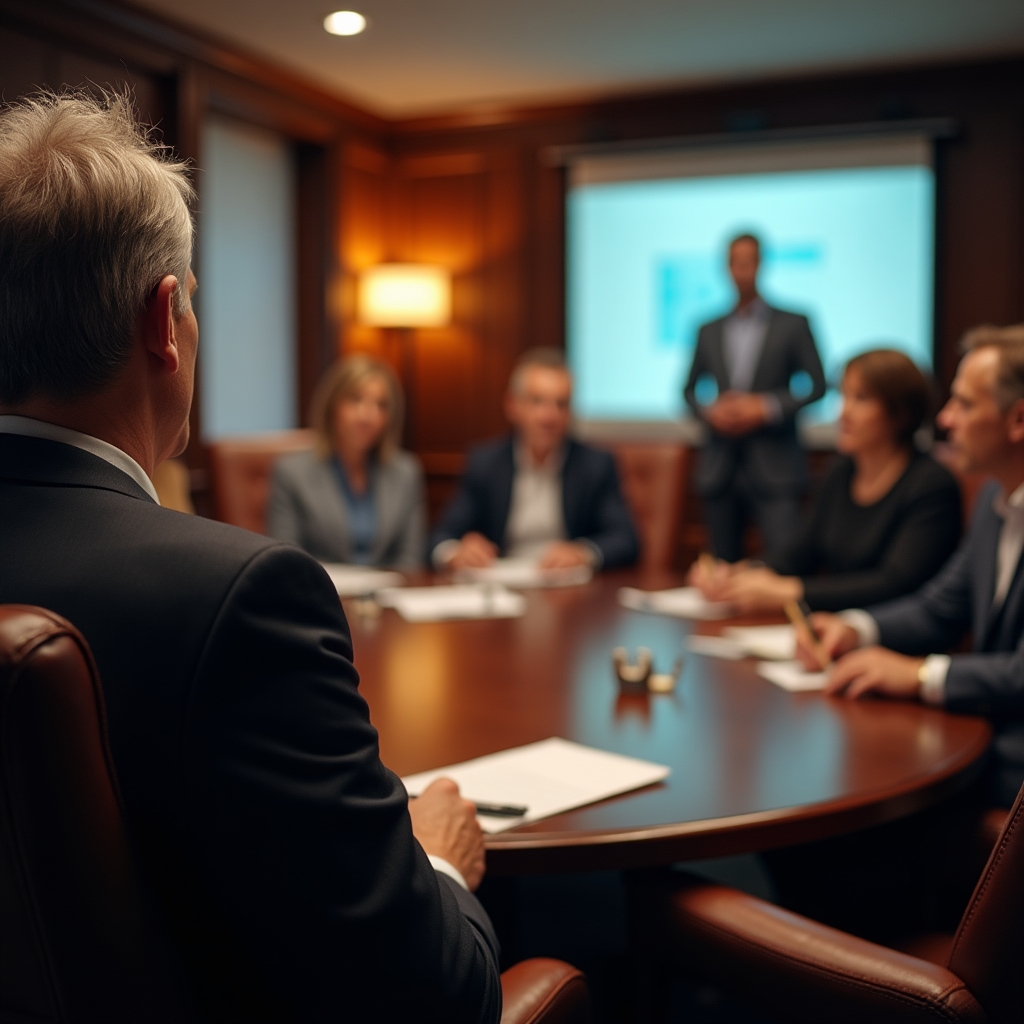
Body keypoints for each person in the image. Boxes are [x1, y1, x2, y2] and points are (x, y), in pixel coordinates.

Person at [0, 92, 500, 1022]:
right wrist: (431, 857)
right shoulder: (235, 599)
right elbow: (432, 997)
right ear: (164, 321)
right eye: (193, 302)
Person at [797, 325, 1024, 807]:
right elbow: (939, 606)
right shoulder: (993, 499)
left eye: (964, 404)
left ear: (1018, 419)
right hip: (978, 738)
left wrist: (919, 675)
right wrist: (856, 629)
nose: (944, 419)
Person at [690, 349, 961, 612]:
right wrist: (737, 573)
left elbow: (896, 583)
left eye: (861, 399)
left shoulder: (931, 484)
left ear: (901, 411)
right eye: (843, 396)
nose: (843, 413)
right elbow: (798, 555)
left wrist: (791, 592)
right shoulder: (840, 472)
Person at [684, 233, 826, 563]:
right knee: (723, 570)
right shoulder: (708, 328)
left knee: (784, 562)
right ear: (726, 267)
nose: (742, 270)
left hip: (776, 466)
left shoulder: (793, 323)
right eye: (735, 262)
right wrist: (711, 412)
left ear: (761, 264)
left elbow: (818, 386)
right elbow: (688, 391)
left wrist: (766, 407)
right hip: (720, 467)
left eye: (748, 262)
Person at [430, 348, 639, 571]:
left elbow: (625, 540)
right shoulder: (486, 463)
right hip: (504, 588)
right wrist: (456, 553)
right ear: (512, 406)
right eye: (537, 401)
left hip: (569, 592)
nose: (548, 416)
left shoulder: (595, 465)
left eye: (561, 404)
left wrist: (583, 552)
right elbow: (441, 537)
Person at [267, 355, 426, 569]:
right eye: (355, 400)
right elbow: (287, 561)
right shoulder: (292, 473)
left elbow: (410, 559)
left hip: (389, 597)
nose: (368, 415)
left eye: (381, 405)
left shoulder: (405, 472)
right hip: (320, 597)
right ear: (332, 405)